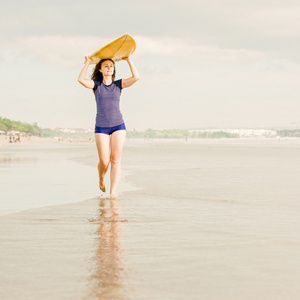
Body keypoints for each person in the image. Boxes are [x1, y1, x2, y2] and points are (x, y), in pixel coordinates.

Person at [78, 55, 139, 198]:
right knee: (104, 161)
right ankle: (101, 178)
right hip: (101, 126)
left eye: (111, 66)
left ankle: (113, 193)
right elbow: (81, 80)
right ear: (100, 69)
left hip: (118, 125)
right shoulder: (96, 85)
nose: (109, 68)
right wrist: (88, 62)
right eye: (106, 66)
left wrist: (128, 59)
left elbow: (136, 77)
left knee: (116, 159)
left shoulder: (118, 84)